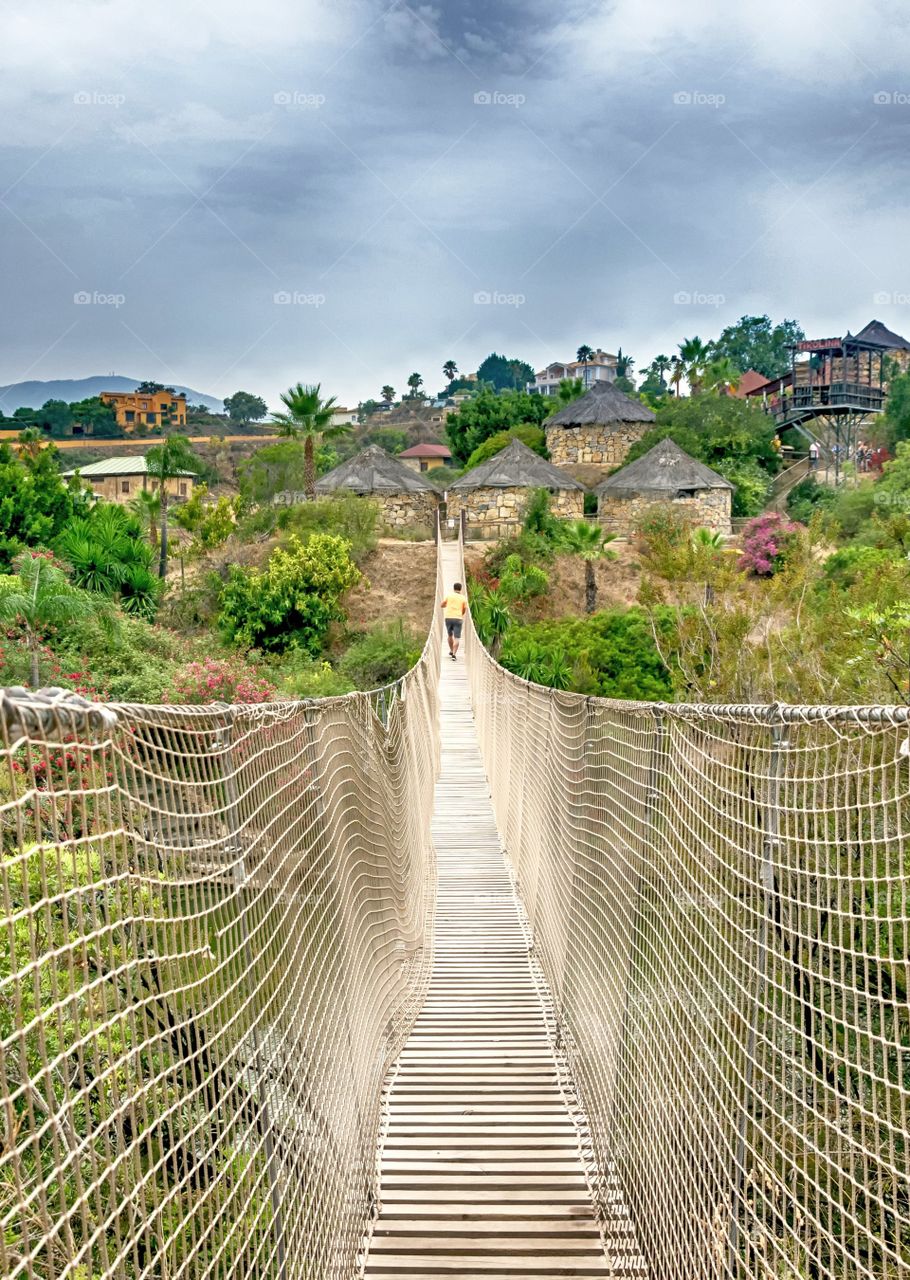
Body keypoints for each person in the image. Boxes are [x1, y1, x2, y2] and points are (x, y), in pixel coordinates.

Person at [440, 581, 467, 661]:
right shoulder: (463, 598)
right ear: (461, 589)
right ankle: (454, 654)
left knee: (450, 635)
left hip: (448, 618)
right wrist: (461, 613)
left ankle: (451, 650)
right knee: (457, 638)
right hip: (458, 618)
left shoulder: (449, 595)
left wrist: (446, 605)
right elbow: (464, 608)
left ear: (453, 588)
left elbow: (442, 605)